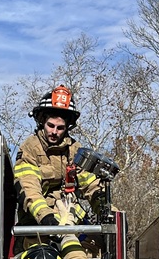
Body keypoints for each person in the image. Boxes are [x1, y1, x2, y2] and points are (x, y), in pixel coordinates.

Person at [13, 86, 105, 237]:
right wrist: (46, 216)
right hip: (37, 226)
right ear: (42, 121)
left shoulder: (75, 150)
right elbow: (28, 187)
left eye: (60, 128)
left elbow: (91, 185)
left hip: (71, 218)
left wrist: (109, 211)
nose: (54, 132)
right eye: (51, 126)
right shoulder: (30, 148)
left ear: (67, 127)